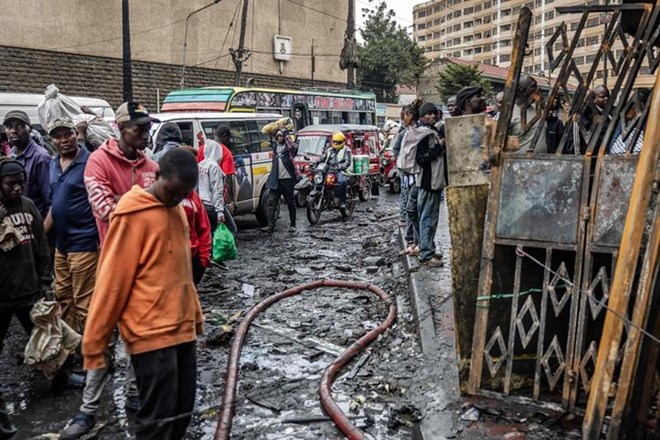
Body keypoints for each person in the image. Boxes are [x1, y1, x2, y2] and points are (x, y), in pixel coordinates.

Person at [82, 148, 204, 440]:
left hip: (182, 330)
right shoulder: (131, 216)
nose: (175, 199)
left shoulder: (177, 210)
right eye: (172, 192)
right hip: (150, 334)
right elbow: (111, 282)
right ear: (156, 175)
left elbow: (181, 274)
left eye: (183, 195)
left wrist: (195, 318)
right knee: (156, 423)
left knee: (181, 414)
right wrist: (94, 343)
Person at [62, 101, 159, 439]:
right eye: (139, 128)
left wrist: (132, 200)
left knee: (137, 334)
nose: (146, 134)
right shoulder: (99, 162)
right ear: (120, 129)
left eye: (148, 128)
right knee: (100, 335)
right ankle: (88, 409)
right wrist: (146, 201)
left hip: (144, 266)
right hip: (111, 262)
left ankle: (134, 393)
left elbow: (159, 210)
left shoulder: (150, 164)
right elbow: (106, 209)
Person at [45, 118, 99, 334]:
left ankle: (94, 348)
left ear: (76, 134)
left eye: (67, 134)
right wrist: (41, 236)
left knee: (85, 302)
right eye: (57, 136)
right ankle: (72, 345)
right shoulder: (53, 163)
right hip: (62, 245)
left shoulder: (91, 162)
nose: (64, 140)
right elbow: (54, 204)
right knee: (64, 298)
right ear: (51, 140)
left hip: (84, 243)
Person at [414, 103, 446, 267]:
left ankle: (428, 249)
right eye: (428, 114)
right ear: (422, 116)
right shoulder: (423, 134)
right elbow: (421, 158)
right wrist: (440, 148)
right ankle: (426, 255)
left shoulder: (431, 131)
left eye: (434, 113)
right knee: (428, 219)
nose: (432, 116)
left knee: (428, 218)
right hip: (429, 182)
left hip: (432, 182)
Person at [3, 110, 51, 218]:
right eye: (9, 127)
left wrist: (43, 227)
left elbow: (50, 202)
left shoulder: (41, 157)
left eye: (19, 126)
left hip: (36, 221)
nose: (13, 131)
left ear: (30, 128)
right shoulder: (11, 155)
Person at [397, 100, 423, 256]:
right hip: (409, 176)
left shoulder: (418, 132)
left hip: (416, 177)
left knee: (414, 210)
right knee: (412, 210)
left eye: (404, 116)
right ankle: (414, 241)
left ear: (410, 115)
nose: (402, 119)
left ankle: (418, 243)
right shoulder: (408, 131)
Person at [261, 129, 298, 233]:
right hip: (276, 181)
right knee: (271, 203)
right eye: (278, 136)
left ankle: (293, 225)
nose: (280, 138)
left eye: (281, 136)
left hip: (287, 181)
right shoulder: (275, 148)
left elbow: (293, 146)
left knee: (290, 203)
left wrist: (285, 133)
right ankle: (270, 225)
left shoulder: (289, 149)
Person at [509, 75, 547, 154]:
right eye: (534, 86)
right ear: (524, 91)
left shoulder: (538, 110)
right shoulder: (509, 113)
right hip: (518, 160)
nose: (538, 89)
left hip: (542, 160)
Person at [316, 131, 352, 210]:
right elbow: (322, 158)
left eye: (338, 142)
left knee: (342, 182)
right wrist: (316, 162)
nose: (336, 144)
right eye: (334, 142)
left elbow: (347, 162)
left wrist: (339, 166)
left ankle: (343, 201)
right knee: (318, 180)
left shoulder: (346, 150)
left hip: (340, 171)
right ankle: (324, 198)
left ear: (343, 141)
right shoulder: (329, 150)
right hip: (329, 170)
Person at [214, 125, 238, 234]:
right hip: (218, 198)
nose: (229, 141)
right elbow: (228, 178)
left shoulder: (203, 149)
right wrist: (232, 200)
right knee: (231, 229)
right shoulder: (225, 152)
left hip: (203, 199)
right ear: (224, 136)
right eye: (229, 138)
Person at [198, 139, 226, 236]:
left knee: (208, 232)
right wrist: (220, 211)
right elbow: (217, 190)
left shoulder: (200, 165)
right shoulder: (214, 167)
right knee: (231, 228)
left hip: (201, 204)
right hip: (212, 204)